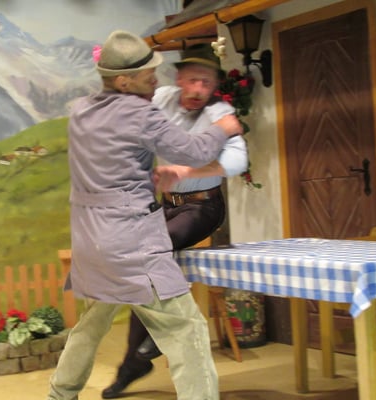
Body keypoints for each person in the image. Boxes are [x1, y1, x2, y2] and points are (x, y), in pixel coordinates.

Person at [46, 31, 241, 400]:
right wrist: (223, 128)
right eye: (149, 75)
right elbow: (194, 151)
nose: (156, 80)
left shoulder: (81, 110)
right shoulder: (140, 113)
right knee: (186, 329)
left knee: (91, 324)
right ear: (124, 81)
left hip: (90, 241)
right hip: (131, 242)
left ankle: (60, 395)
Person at [102, 43, 249, 399]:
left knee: (150, 253)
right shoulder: (161, 99)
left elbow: (238, 162)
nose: (199, 89)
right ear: (179, 79)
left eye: (207, 83)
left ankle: (154, 340)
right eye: (193, 80)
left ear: (215, 86)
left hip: (203, 207)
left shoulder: (221, 113)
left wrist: (187, 171)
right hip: (165, 206)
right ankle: (134, 361)